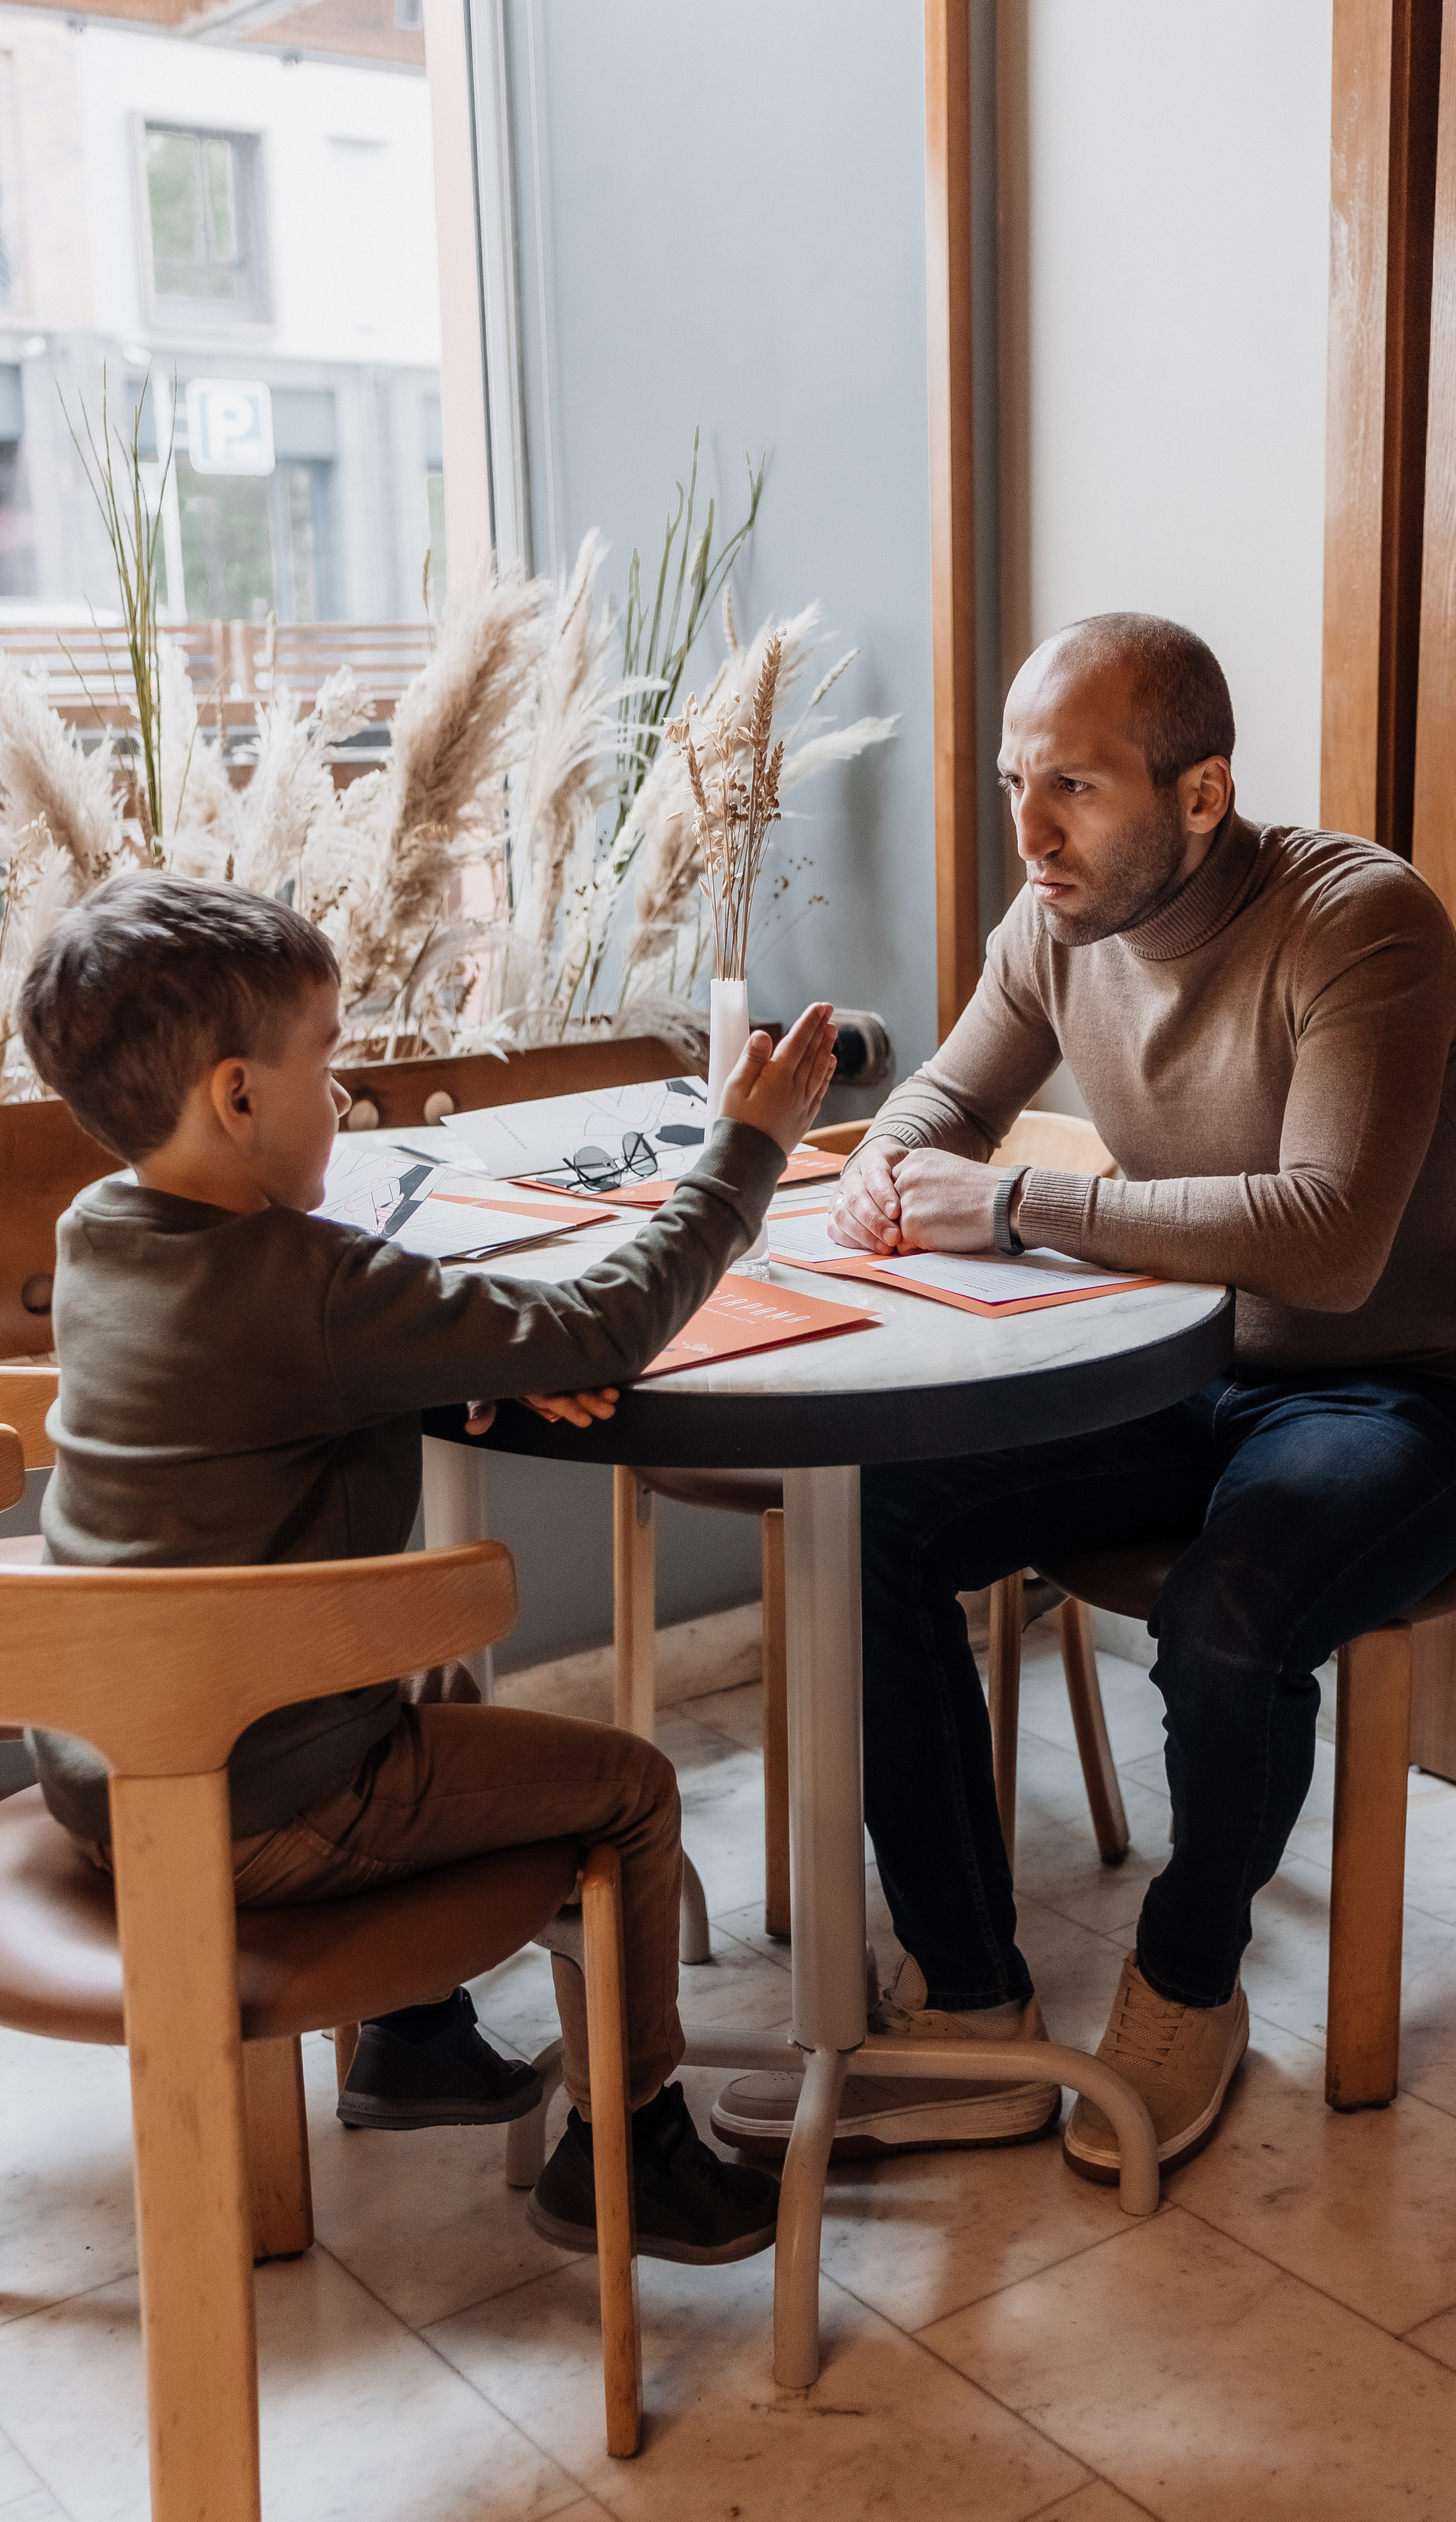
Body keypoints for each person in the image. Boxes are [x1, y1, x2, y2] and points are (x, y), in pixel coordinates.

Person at [709, 611, 1456, 2179]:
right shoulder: (1052, 922)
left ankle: (1185, 1977)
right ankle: (971, 2012)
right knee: (861, 1516)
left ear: (1200, 795)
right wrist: (891, 1161)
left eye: (1071, 787)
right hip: (1179, 1369)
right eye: (1017, 782)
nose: (1028, 834)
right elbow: (948, 1097)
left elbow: (1328, 1242)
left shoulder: (1361, 924)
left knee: (1229, 1615)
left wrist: (1014, 1209)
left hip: (1397, 1396)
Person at [19, 873, 836, 2264]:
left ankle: (416, 2040)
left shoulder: (98, 1234)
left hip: (100, 1763)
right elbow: (607, 1322)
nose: (339, 1094)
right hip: (261, 1800)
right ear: (236, 1097)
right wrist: (745, 1145)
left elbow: (284, 1390)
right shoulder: (313, 1291)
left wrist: (459, 1365)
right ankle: (628, 2153)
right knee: (630, 1791)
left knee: (438, 1682)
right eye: (326, 1057)